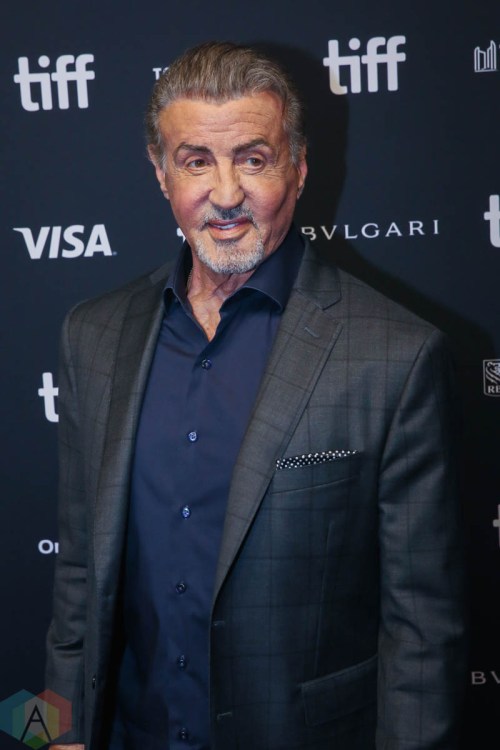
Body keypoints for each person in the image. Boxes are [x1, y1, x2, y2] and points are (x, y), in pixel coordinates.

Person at [46, 41, 466, 750]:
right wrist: (48, 736)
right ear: (160, 172)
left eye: (253, 158)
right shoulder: (91, 334)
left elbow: (422, 636)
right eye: (196, 161)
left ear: (297, 168)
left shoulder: (396, 355)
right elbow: (75, 583)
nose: (225, 194)